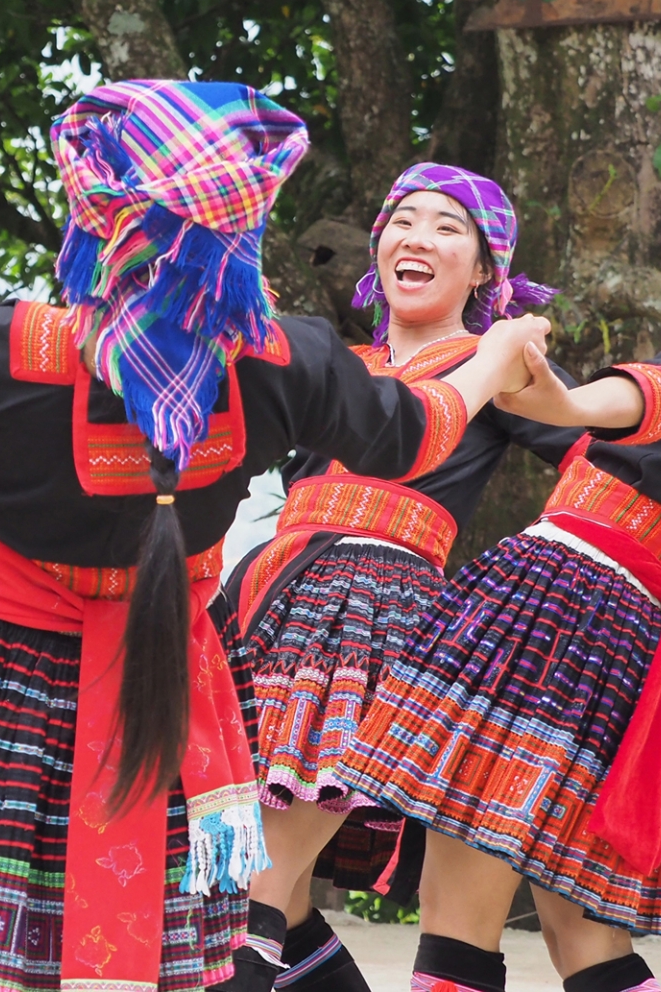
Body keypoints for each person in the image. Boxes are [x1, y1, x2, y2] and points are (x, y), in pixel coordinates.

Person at [0, 80, 548, 992]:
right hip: (173, 668)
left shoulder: (22, 346)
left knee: (20, 934)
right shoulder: (284, 359)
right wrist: (493, 359)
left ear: (99, 217)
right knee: (176, 930)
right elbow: (416, 434)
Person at [335, 180, 661, 992]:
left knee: (458, 914)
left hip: (568, 601)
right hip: (631, 623)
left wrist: (565, 396)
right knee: (583, 937)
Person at [214, 164, 579, 992]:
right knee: (275, 894)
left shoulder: (495, 366)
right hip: (264, 609)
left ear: (485, 270)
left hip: (368, 619)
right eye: (404, 221)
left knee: (249, 880)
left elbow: (609, 457)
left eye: (448, 227)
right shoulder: (336, 363)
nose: (418, 237)